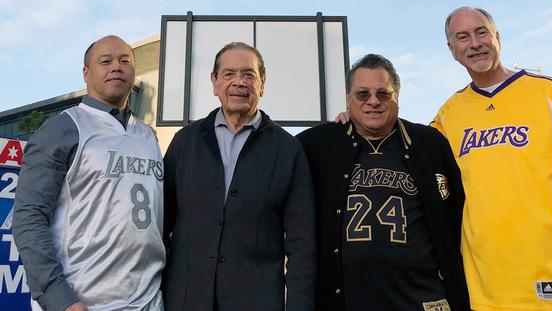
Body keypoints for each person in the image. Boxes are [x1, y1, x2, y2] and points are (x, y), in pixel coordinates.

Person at [433, 7, 552, 311]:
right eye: (462, 37)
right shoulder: (447, 116)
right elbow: (405, 155)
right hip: (484, 295)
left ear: (497, 38)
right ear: (452, 50)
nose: (474, 43)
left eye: (481, 32)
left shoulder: (548, 93)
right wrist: (349, 123)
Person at [298, 54, 470, 311]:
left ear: (397, 97)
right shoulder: (317, 146)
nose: (374, 101)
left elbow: (457, 215)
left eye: (383, 93)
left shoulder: (430, 144)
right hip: (348, 300)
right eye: (362, 94)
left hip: (423, 299)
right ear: (347, 99)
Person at [13, 35, 165, 311]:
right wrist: (59, 298)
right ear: (86, 73)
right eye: (105, 61)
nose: (116, 67)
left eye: (125, 60)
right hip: (85, 302)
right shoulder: (63, 129)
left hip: (149, 301)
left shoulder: (148, 136)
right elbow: (28, 216)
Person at [162, 42, 316, 311]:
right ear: (214, 82)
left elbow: (302, 245)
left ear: (262, 82)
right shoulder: (185, 143)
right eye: (229, 74)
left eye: (248, 74)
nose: (239, 82)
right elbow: (160, 227)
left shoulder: (288, 150)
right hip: (185, 301)